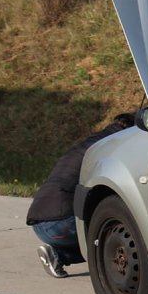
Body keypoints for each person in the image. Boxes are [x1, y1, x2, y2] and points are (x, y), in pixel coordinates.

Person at [26, 113, 135, 278]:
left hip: (41, 220)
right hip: (59, 222)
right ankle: (60, 254)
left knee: (101, 232)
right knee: (116, 227)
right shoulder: (113, 148)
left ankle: (57, 254)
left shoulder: (94, 141)